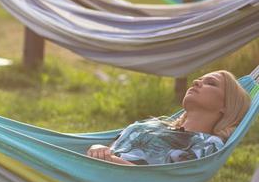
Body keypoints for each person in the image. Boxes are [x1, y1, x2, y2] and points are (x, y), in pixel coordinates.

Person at [86, 70, 251, 165]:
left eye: (210, 83)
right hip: (90, 170)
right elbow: (109, 149)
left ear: (226, 106)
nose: (195, 82)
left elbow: (157, 178)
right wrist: (96, 146)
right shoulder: (150, 123)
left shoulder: (209, 144)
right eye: (199, 79)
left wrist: (110, 161)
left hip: (109, 181)